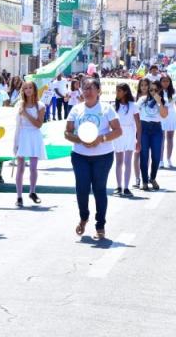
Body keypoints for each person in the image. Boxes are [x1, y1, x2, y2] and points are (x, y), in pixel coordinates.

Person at [65, 77, 122, 240]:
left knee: (99, 189)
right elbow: (67, 132)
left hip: (102, 156)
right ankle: (84, 217)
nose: (88, 91)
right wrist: (80, 140)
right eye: (85, 88)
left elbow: (118, 131)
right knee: (82, 189)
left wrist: (100, 139)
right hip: (80, 156)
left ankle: (100, 225)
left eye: (91, 88)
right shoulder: (76, 109)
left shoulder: (107, 109)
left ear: (98, 91)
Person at [13, 81, 46, 206]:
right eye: (25, 88)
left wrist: (26, 114)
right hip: (22, 136)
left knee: (33, 167)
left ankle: (32, 191)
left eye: (30, 87)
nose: (28, 90)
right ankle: (19, 196)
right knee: (20, 167)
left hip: (34, 136)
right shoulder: (19, 105)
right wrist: (15, 143)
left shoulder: (40, 106)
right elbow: (16, 124)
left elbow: (38, 124)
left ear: (34, 89)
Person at [137, 80, 169, 190]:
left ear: (160, 90)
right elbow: (135, 115)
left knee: (156, 157)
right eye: (151, 90)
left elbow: (164, 115)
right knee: (144, 156)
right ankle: (144, 181)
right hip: (144, 128)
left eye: (156, 90)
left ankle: (153, 178)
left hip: (156, 129)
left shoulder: (163, 101)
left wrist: (159, 102)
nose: (153, 92)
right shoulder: (142, 100)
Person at [113, 83, 140, 197]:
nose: (117, 93)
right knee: (119, 161)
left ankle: (126, 187)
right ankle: (119, 186)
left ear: (125, 92)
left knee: (127, 161)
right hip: (118, 133)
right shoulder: (114, 106)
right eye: (116, 91)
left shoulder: (133, 105)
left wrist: (138, 140)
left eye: (119, 91)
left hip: (129, 133)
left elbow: (138, 124)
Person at [132, 78, 150, 188]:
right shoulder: (136, 98)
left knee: (146, 154)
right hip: (137, 127)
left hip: (148, 128)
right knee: (136, 152)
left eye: (145, 85)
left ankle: (145, 175)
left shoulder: (151, 97)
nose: (143, 87)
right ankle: (137, 178)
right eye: (142, 85)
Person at [159, 75, 176, 168]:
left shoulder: (173, 91)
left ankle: (169, 159)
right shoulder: (158, 91)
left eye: (167, 81)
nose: (165, 83)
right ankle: (160, 160)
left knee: (170, 138)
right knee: (161, 139)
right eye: (163, 81)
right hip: (161, 115)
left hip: (171, 115)